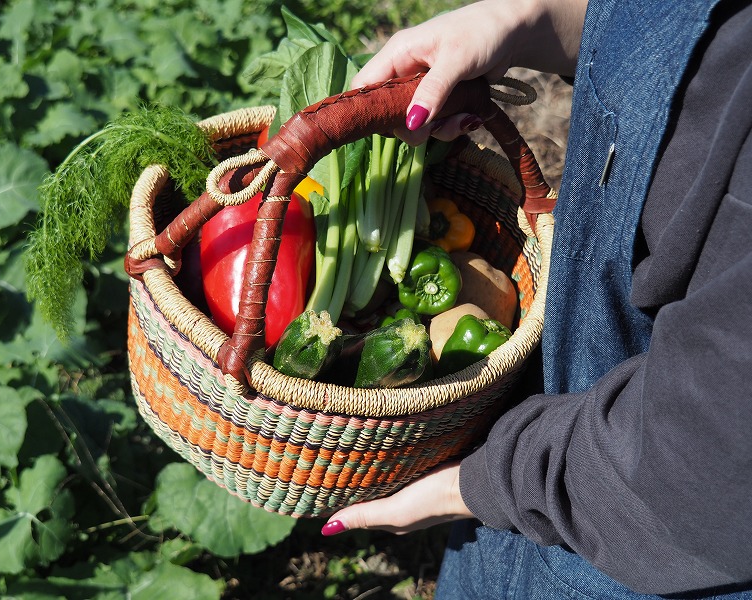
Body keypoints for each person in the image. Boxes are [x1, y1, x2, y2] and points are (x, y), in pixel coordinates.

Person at [319, 0, 752, 597]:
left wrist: (471, 486)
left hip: (636, 550)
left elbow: (702, 473)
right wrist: (536, 21)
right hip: (542, 453)